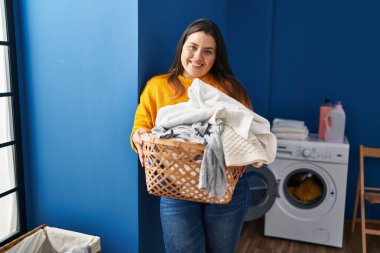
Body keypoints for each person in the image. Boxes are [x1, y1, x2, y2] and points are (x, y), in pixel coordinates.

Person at [131, 19, 253, 253]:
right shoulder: (158, 86)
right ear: (182, 47)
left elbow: (247, 130)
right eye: (193, 47)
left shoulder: (229, 88)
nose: (198, 56)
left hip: (225, 183)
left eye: (208, 51)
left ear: (216, 57)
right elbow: (141, 126)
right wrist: (139, 136)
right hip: (175, 187)